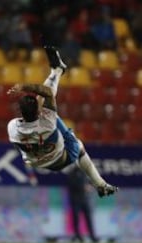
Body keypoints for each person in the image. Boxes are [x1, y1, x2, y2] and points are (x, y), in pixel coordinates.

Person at [7, 46, 118, 198]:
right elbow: (47, 93)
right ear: (38, 112)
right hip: (62, 158)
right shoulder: (48, 122)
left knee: (43, 103)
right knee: (78, 145)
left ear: (20, 112)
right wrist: (24, 87)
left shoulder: (12, 127)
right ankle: (100, 184)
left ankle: (57, 69)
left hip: (36, 161)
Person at [66, 165, 99, 243]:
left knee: (89, 219)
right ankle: (78, 236)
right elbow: (71, 185)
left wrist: (91, 186)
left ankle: (92, 236)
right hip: (76, 200)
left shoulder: (86, 173)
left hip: (85, 200)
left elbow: (92, 182)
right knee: (76, 219)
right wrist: (82, 187)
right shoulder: (72, 173)